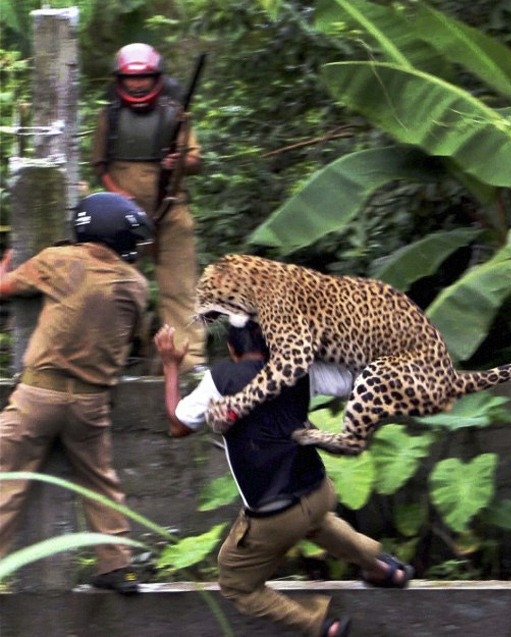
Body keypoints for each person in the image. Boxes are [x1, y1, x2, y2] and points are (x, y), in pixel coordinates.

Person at [154, 320, 414, 637]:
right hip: (317, 491)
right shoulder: (299, 368)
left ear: (232, 349)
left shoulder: (221, 380)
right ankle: (384, 568)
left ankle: (321, 626)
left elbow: (178, 425)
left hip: (274, 513)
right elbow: (355, 380)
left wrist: (170, 366)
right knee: (316, 521)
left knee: (236, 582)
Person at [0, 192, 153, 594]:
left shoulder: (59, 260)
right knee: (101, 482)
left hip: (38, 396)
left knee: (7, 481)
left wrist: (7, 262)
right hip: (91, 404)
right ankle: (116, 565)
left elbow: (6, 287)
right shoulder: (136, 285)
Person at [91, 42, 206, 374]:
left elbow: (196, 160)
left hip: (171, 211)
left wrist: (179, 160)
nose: (137, 85)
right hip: (122, 218)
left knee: (180, 288)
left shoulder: (176, 113)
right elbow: (100, 165)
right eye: (130, 79)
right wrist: (117, 194)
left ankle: (189, 359)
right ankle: (120, 358)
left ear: (156, 77)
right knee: (119, 288)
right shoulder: (108, 116)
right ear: (120, 80)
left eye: (143, 78)